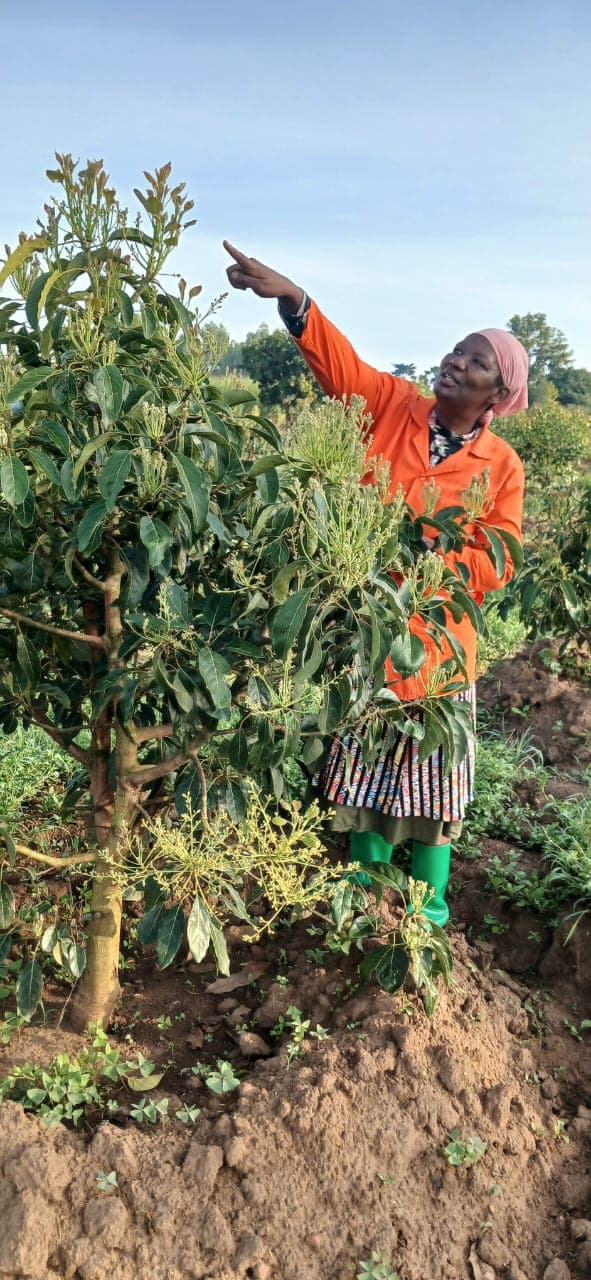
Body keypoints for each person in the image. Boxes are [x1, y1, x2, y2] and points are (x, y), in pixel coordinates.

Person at [223, 240, 528, 925]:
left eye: (475, 361)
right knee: (365, 763)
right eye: (454, 351)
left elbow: (498, 560)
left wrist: (427, 552)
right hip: (365, 629)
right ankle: (361, 892)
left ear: (498, 391)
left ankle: (428, 910)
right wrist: (294, 301)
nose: (455, 362)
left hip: (439, 643)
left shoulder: (499, 464)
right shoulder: (390, 404)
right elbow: (340, 368)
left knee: (431, 779)